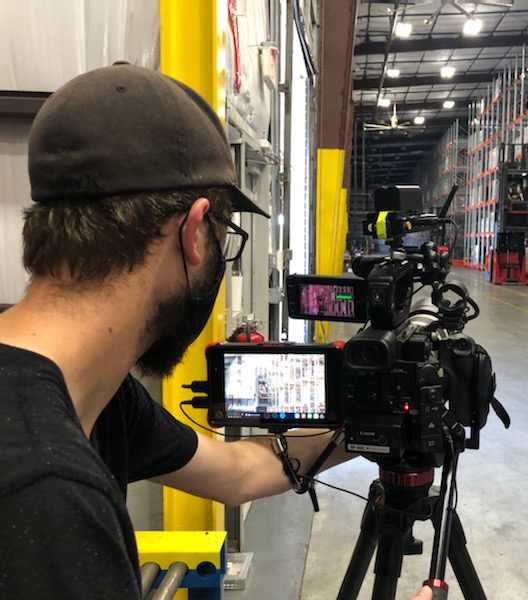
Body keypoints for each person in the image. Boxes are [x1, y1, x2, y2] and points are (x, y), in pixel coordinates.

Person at [0, 62, 432, 600]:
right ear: (194, 231)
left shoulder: (93, 394)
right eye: (226, 233)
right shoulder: (42, 494)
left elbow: (233, 472)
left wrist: (377, 429)